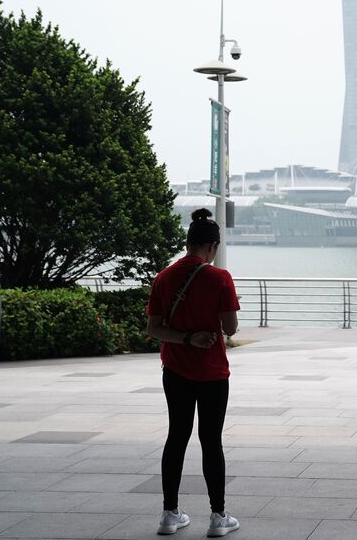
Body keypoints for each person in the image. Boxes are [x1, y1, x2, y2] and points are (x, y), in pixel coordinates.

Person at [146, 209, 241, 537]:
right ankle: (218, 517)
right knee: (210, 440)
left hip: (175, 370)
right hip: (213, 372)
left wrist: (186, 337)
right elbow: (230, 327)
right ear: (213, 246)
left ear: (188, 243)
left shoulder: (164, 277)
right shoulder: (220, 278)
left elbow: (154, 328)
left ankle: (169, 515)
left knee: (176, 437)